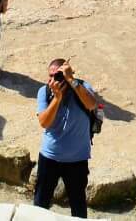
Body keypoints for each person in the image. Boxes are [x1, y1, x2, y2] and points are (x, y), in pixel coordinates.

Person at [34, 57, 102, 217]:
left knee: (78, 207)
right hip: (49, 157)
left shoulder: (83, 86)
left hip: (77, 160)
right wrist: (57, 98)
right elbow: (44, 122)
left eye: (58, 75)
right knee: (40, 205)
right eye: (50, 76)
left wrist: (71, 80)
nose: (53, 80)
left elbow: (92, 104)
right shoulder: (44, 91)